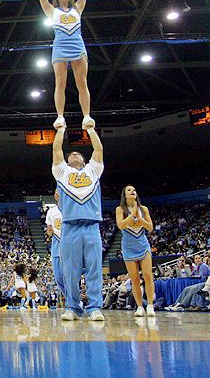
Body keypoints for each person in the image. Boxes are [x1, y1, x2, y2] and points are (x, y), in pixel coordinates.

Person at [23, 0, 95, 130]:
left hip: (77, 46)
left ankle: (86, 116)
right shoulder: (51, 10)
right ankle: (60, 117)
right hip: (60, 47)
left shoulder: (77, 9)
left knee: (82, 82)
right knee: (60, 83)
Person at [52, 120, 105, 321]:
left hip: (91, 225)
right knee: (70, 272)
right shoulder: (62, 172)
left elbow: (98, 149)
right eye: (70, 154)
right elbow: (56, 149)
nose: (73, 154)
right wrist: (61, 130)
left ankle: (94, 308)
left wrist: (91, 130)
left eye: (77, 153)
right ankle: (72, 307)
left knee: (94, 269)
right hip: (70, 226)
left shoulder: (93, 171)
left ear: (84, 160)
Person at [115, 185, 156, 317]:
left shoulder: (143, 209)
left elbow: (150, 228)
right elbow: (121, 225)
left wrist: (140, 218)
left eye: (134, 190)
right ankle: (139, 307)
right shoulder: (120, 209)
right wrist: (132, 215)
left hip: (143, 245)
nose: (132, 191)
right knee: (135, 279)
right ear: (125, 195)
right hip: (128, 247)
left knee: (148, 275)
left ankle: (150, 305)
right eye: (129, 190)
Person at [45, 193, 65, 296]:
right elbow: (49, 230)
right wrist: (49, 231)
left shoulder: (72, 209)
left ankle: (73, 302)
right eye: (57, 193)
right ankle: (73, 300)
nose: (59, 195)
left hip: (70, 245)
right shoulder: (51, 212)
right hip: (57, 246)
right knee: (58, 278)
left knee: (71, 277)